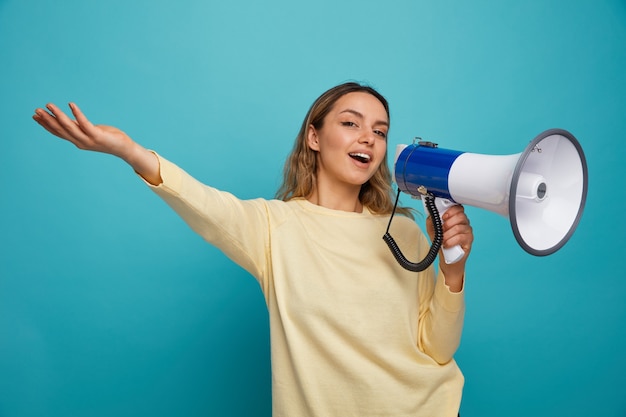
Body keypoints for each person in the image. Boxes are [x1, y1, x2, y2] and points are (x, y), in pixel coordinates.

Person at [32, 82, 473, 417]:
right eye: (350, 123)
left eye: (380, 131)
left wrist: (453, 271)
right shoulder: (273, 226)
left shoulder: (407, 233)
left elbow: (436, 350)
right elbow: (203, 202)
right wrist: (130, 151)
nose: (369, 139)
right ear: (314, 137)